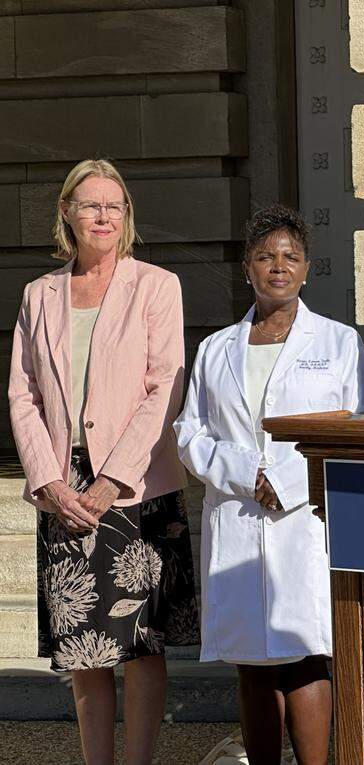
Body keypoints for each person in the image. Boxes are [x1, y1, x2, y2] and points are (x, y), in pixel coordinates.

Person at [8, 158, 198, 765]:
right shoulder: (39, 294)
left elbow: (164, 384)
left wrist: (113, 477)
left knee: (142, 646)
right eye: (90, 205)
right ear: (66, 212)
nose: (103, 216)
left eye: (113, 206)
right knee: (82, 651)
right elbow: (23, 393)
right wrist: (49, 481)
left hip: (136, 487)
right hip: (65, 489)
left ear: (127, 216)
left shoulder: (156, 285)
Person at [174, 204, 364, 765]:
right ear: (247, 268)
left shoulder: (337, 343)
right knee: (252, 662)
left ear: (308, 268)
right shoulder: (216, 349)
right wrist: (246, 473)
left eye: (290, 256)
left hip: (305, 522)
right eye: (266, 256)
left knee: (305, 653)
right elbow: (189, 433)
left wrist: (290, 479)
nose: (278, 267)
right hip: (239, 518)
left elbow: (361, 428)